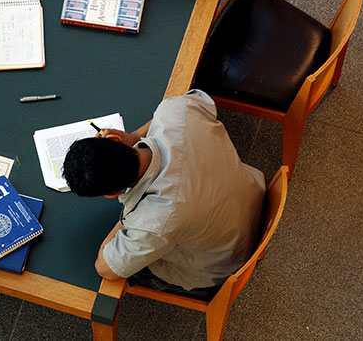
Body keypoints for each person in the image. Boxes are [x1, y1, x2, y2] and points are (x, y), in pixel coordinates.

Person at [62, 89, 265, 297]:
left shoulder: (154, 222)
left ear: (112, 193)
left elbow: (104, 267)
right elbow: (200, 100)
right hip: (253, 199)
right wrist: (134, 137)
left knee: (132, 272)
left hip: (224, 264)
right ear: (114, 139)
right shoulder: (176, 111)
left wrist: (129, 218)